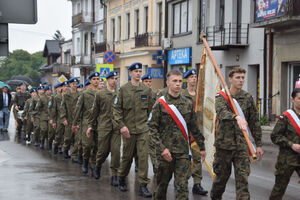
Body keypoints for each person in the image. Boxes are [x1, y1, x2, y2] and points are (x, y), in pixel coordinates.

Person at [148, 69, 206, 200]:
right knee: (161, 187)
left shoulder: (187, 103)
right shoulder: (160, 104)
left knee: (182, 187)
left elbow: (194, 127)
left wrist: (202, 147)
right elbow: (152, 129)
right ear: (168, 82)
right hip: (165, 154)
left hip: (182, 153)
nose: (178, 84)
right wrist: (162, 149)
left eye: (180, 81)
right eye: (174, 81)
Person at [210, 67, 263, 200]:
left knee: (243, 180)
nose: (241, 80)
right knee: (221, 180)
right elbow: (221, 113)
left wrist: (259, 144)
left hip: (241, 146)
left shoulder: (247, 97)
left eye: (242, 78)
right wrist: (236, 117)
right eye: (237, 77)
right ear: (230, 79)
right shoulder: (221, 97)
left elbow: (254, 122)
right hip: (224, 146)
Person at [113, 62, 153, 198]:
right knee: (127, 157)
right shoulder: (123, 90)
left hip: (143, 129)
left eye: (140, 71)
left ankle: (143, 185)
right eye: (135, 71)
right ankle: (122, 177)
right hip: (128, 129)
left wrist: (149, 125)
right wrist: (121, 126)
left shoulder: (146, 90)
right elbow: (116, 110)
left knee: (143, 158)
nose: (138, 74)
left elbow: (151, 110)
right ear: (130, 73)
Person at [87, 71, 120, 186]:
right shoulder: (100, 94)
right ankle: (97, 166)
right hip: (104, 126)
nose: (114, 81)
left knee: (116, 152)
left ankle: (114, 175)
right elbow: (94, 111)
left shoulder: (119, 94)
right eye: (112, 78)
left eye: (116, 78)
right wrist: (90, 126)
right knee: (103, 151)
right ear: (107, 80)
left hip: (116, 127)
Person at [269, 88, 300, 200]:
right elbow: (275, 136)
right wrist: (291, 144)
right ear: (292, 99)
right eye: (299, 98)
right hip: (287, 159)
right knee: (279, 189)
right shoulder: (286, 116)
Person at [181, 69, 208, 195]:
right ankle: (182, 182)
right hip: (184, 132)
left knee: (197, 158)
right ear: (186, 80)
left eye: (195, 76)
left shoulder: (199, 95)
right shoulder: (181, 95)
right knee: (184, 159)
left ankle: (197, 184)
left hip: (196, 132)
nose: (194, 79)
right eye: (191, 77)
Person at [72, 72, 100, 175]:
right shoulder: (85, 94)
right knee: (87, 145)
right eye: (94, 79)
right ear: (90, 81)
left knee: (97, 145)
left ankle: (93, 164)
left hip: (99, 123)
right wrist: (75, 123)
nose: (96, 81)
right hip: (87, 122)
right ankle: (85, 161)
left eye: (98, 79)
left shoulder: (102, 93)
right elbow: (78, 109)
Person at [60, 78, 80, 159]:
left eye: (76, 84)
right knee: (68, 137)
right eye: (73, 84)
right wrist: (63, 118)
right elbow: (62, 107)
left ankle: (74, 155)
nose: (75, 85)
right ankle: (65, 149)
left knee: (77, 138)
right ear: (70, 85)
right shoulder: (66, 95)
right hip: (68, 118)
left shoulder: (80, 94)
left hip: (77, 119)